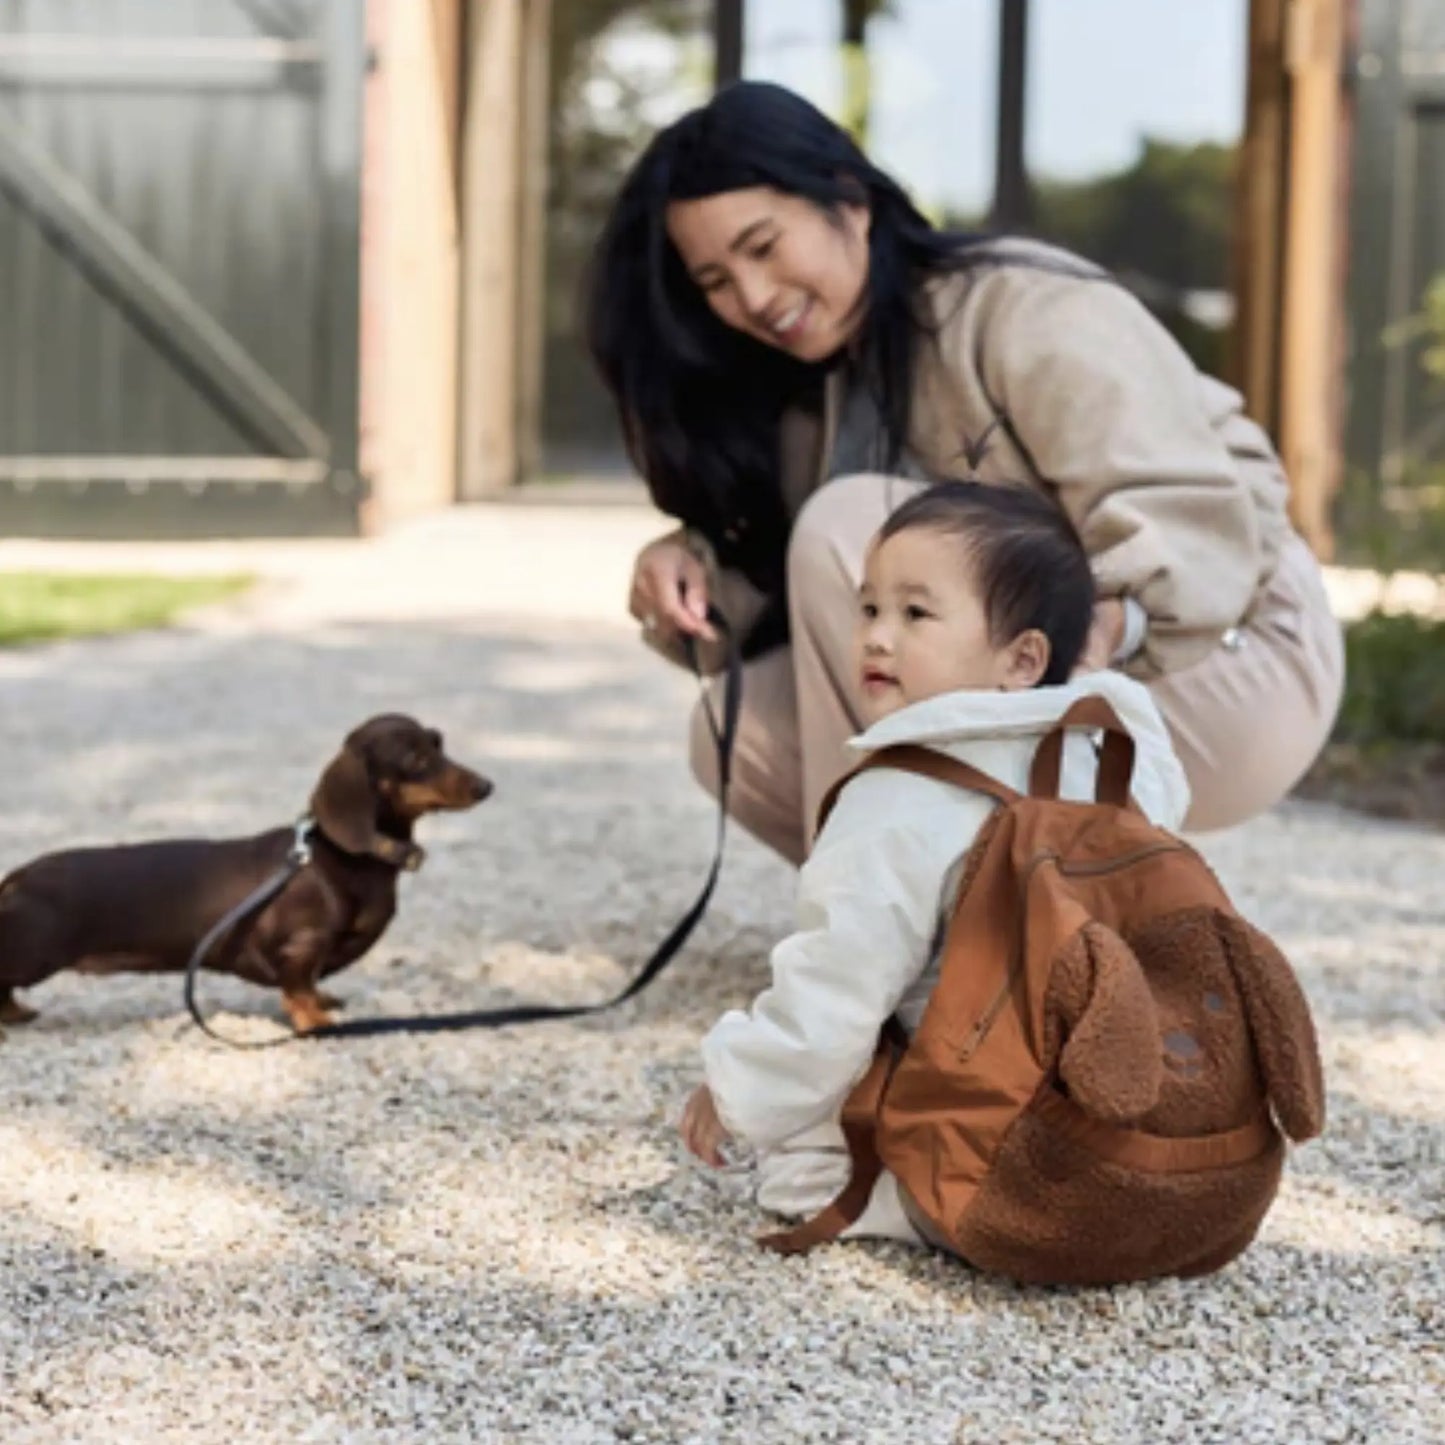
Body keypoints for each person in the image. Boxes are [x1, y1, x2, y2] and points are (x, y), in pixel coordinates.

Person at [586, 80, 1342, 864]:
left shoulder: (1020, 305)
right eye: (713, 281)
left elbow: (1194, 518)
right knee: (738, 738)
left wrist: (1069, 649)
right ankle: (945, 924)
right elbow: (800, 599)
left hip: (1224, 653)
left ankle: (874, 938)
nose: (750, 296)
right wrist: (693, 572)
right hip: (1036, 676)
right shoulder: (814, 393)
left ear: (848, 200)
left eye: (762, 246)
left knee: (864, 530)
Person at [677, 482, 1192, 1240]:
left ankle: (898, 1201)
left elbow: (835, 983)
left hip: (983, 1106)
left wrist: (737, 1087)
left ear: (1022, 659)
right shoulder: (1113, 753)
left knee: (802, 1136)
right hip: (1115, 1081)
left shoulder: (898, 797)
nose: (878, 637)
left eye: (915, 613)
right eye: (868, 608)